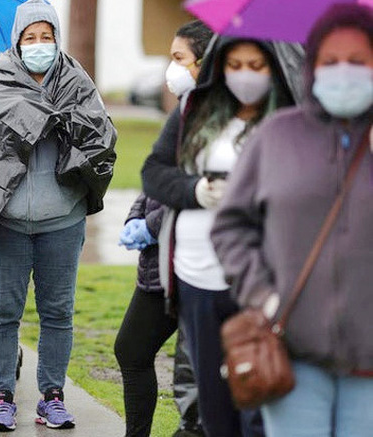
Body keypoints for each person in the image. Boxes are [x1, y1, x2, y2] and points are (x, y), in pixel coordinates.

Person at [0, 0, 116, 431]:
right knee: (4, 311)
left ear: (57, 40)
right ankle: (2, 397)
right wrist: (32, 117)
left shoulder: (77, 83)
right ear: (17, 42)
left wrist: (63, 121)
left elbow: (100, 137)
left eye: (46, 37)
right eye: (30, 38)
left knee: (58, 313)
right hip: (9, 221)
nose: (39, 45)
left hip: (63, 218)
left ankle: (52, 397)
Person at [211, 4, 372, 436]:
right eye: (330, 61)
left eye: (358, 61)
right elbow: (230, 226)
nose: (343, 71)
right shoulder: (277, 135)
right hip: (290, 347)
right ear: (311, 66)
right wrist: (262, 295)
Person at [142, 35, 298, 436]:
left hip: (261, 279)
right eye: (235, 65)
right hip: (197, 277)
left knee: (260, 400)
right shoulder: (193, 110)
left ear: (273, 69)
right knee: (214, 407)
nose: (244, 76)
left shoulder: (290, 119)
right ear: (219, 66)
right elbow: (154, 172)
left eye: (256, 66)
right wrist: (197, 190)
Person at [115, 21, 212, 437]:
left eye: (178, 58)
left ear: (203, 64)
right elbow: (154, 176)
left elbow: (199, 187)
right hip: (160, 262)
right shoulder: (183, 112)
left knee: (196, 378)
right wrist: (135, 218)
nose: (170, 69)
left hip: (191, 262)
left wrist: (152, 226)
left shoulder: (215, 120)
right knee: (131, 350)